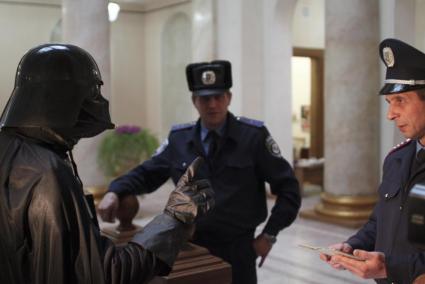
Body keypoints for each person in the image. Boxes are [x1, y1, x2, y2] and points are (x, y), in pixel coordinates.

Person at [0, 44, 214, 284]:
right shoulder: (47, 172)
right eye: (92, 92)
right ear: (62, 97)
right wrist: (175, 218)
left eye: (217, 97)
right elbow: (104, 274)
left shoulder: (11, 148)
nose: (99, 102)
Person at [98, 60, 301, 284]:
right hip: (189, 246)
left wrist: (269, 235)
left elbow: (289, 189)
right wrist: (114, 191)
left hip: (239, 249)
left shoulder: (253, 137)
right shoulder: (180, 139)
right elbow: (146, 173)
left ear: (229, 98)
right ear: (195, 101)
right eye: (205, 98)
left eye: (218, 96)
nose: (212, 104)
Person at [320, 38, 425, 284]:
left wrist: (390, 268)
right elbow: (381, 220)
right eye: (389, 103)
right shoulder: (396, 159)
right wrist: (351, 247)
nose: (390, 114)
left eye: (401, 100)